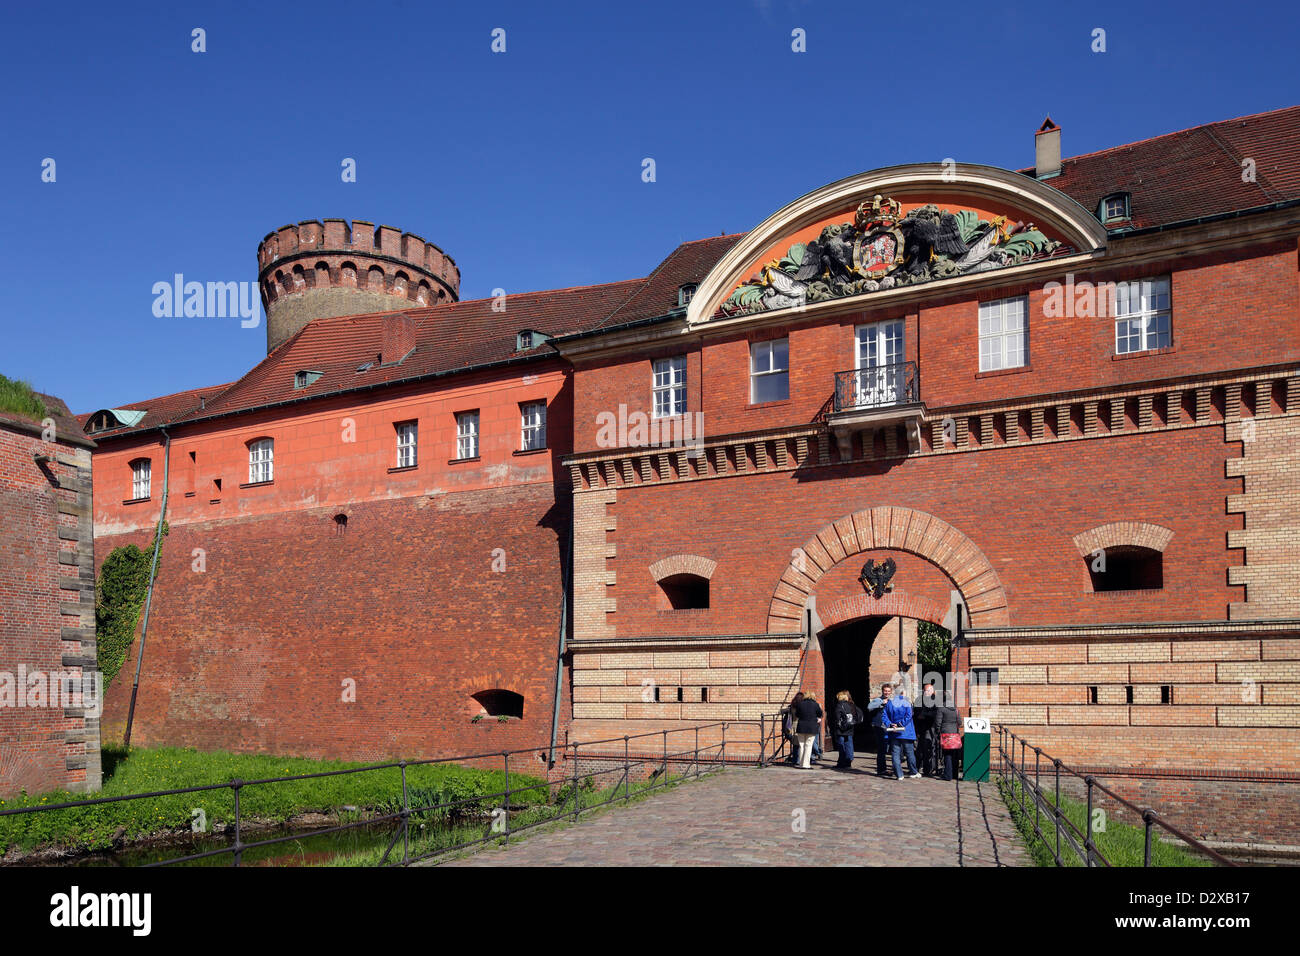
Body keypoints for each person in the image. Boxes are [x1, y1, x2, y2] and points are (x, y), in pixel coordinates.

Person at [882, 683, 921, 779]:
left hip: (894, 731)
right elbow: (909, 715)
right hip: (906, 732)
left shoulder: (889, 703)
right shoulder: (906, 702)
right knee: (909, 753)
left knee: (895, 754)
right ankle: (913, 772)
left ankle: (899, 774)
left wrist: (891, 724)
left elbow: (884, 716)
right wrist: (900, 724)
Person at [831, 690, 864, 769]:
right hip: (850, 727)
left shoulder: (839, 705)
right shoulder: (851, 704)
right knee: (849, 745)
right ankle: (848, 762)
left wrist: (836, 725)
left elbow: (837, 717)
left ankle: (841, 762)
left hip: (841, 729)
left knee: (841, 746)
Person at [867, 683, 893, 776]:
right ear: (882, 691)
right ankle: (881, 769)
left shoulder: (891, 701)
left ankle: (894, 769)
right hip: (879, 727)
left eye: (888, 691)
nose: (887, 692)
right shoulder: (878, 700)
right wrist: (881, 703)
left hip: (889, 727)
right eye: (885, 691)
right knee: (881, 749)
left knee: (891, 748)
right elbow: (869, 707)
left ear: (891, 692)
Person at [793, 690, 823, 769]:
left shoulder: (800, 704)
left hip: (801, 727)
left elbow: (797, 715)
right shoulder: (815, 704)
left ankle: (801, 763)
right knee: (808, 745)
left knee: (801, 745)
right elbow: (820, 714)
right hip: (811, 727)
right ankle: (806, 764)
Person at [915, 681, 940, 776]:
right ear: (923, 691)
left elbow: (937, 713)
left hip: (930, 728)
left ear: (933, 691)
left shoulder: (936, 700)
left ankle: (928, 769)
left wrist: (925, 714)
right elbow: (916, 712)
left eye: (929, 690)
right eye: (926, 690)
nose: (927, 692)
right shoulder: (919, 700)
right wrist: (920, 715)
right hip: (920, 727)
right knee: (918, 749)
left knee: (929, 749)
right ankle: (916, 768)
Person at [937, 690, 963, 781]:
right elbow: (960, 722)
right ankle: (955, 774)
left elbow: (938, 722)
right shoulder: (955, 708)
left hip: (945, 734)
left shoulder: (941, 708)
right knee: (954, 755)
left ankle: (948, 775)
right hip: (955, 734)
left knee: (947, 754)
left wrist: (938, 732)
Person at [782, 693, 802, 764]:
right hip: (799, 725)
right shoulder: (801, 707)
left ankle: (795, 759)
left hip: (793, 726)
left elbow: (783, 711)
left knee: (795, 744)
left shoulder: (792, 706)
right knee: (800, 744)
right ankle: (798, 760)